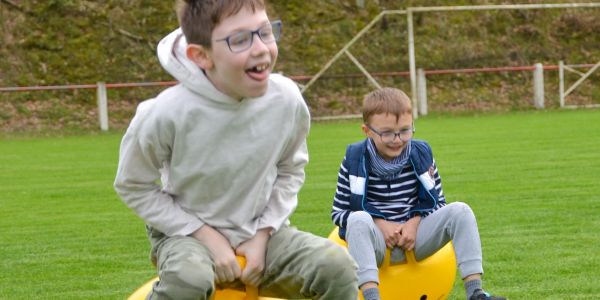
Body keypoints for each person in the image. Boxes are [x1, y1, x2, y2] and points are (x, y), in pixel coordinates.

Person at [114, 0, 358, 299]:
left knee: (336, 266)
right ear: (201, 55)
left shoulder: (287, 99)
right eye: (240, 39)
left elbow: (291, 169)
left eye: (265, 32)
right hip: (187, 237)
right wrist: (204, 235)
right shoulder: (163, 114)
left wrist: (264, 233)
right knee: (188, 280)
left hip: (262, 231)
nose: (260, 49)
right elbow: (133, 185)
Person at [330, 87, 505, 300]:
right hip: (373, 245)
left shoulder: (422, 153)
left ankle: (476, 292)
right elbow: (339, 213)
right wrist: (379, 223)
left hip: (415, 239)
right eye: (387, 133)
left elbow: (438, 202)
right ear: (367, 130)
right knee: (357, 218)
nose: (397, 139)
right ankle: (371, 297)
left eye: (405, 130)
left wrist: (413, 223)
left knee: (460, 210)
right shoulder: (354, 159)